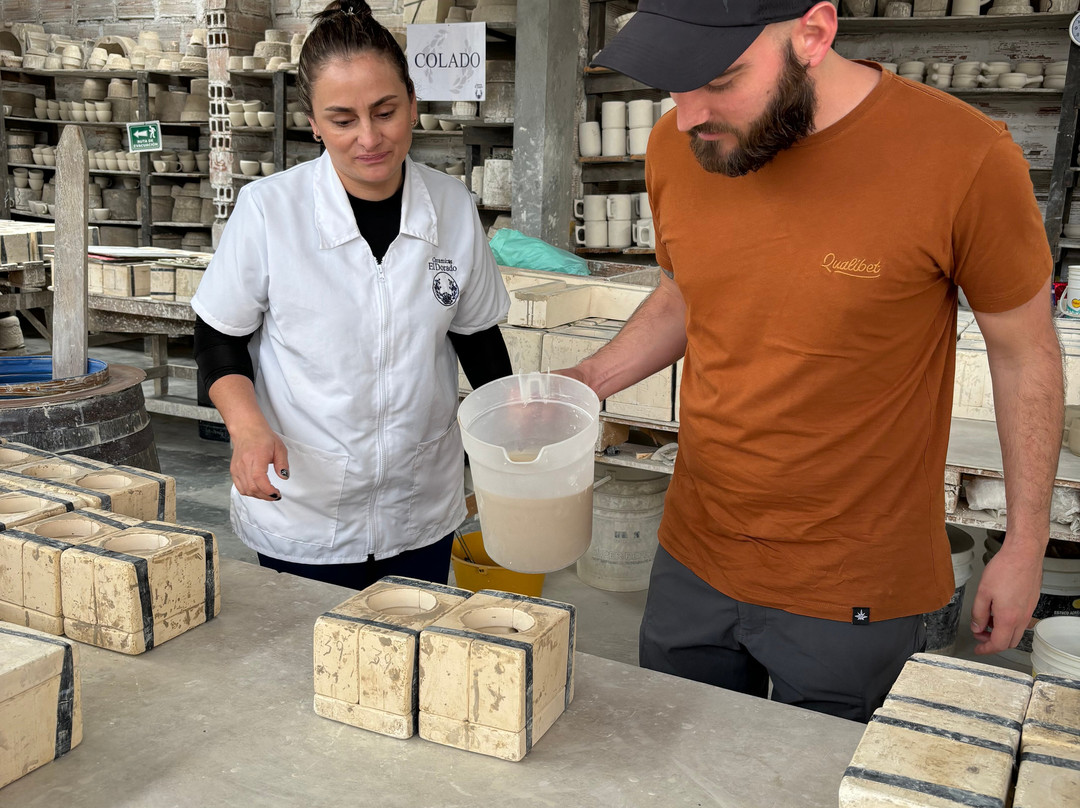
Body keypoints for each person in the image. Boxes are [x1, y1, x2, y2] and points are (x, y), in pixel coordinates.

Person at [564, 1, 1064, 721]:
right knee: (675, 765)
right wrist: (587, 382)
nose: (688, 113)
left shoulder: (962, 156)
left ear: (814, 34)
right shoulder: (683, 144)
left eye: (722, 78)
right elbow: (685, 293)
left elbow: (1027, 356)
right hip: (695, 553)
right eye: (673, 83)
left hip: (850, 584)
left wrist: (1025, 544)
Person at [191, 0, 511, 590]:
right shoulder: (270, 211)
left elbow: (478, 337)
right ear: (313, 122)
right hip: (306, 504)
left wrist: (516, 441)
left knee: (410, 655)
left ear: (413, 104)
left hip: (419, 503)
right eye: (342, 119)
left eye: (385, 111)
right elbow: (218, 337)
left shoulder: (452, 208)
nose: (369, 138)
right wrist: (246, 427)